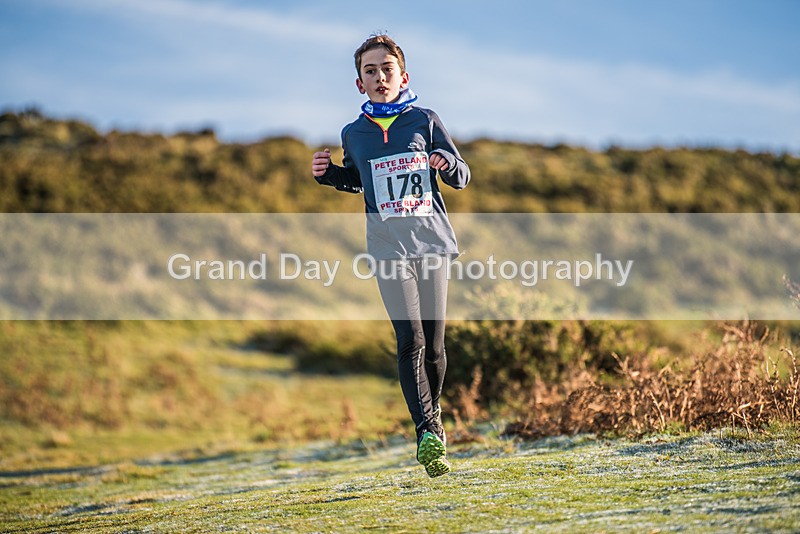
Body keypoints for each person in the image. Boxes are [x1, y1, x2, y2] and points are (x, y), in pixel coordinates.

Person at [311, 33, 470, 477]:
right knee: (410, 341)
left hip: (431, 244)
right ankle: (427, 431)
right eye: (370, 71)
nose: (380, 77)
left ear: (403, 76)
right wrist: (329, 177)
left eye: (387, 69)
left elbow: (462, 177)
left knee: (435, 346)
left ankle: (432, 417)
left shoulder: (425, 120)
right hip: (386, 248)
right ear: (359, 83)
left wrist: (446, 164)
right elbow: (359, 181)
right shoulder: (354, 133)